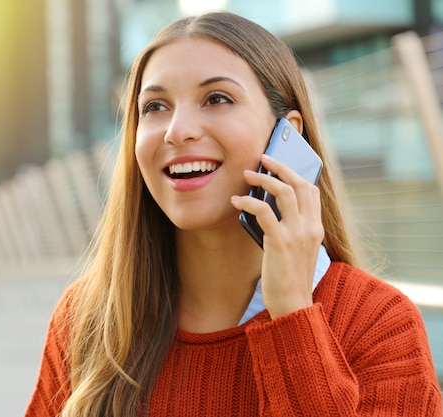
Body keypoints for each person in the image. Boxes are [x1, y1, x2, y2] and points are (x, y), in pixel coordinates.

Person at [25, 11, 442, 416]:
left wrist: (293, 316)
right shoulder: (88, 318)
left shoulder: (377, 324)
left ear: (288, 135)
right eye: (154, 107)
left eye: (217, 99)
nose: (177, 130)